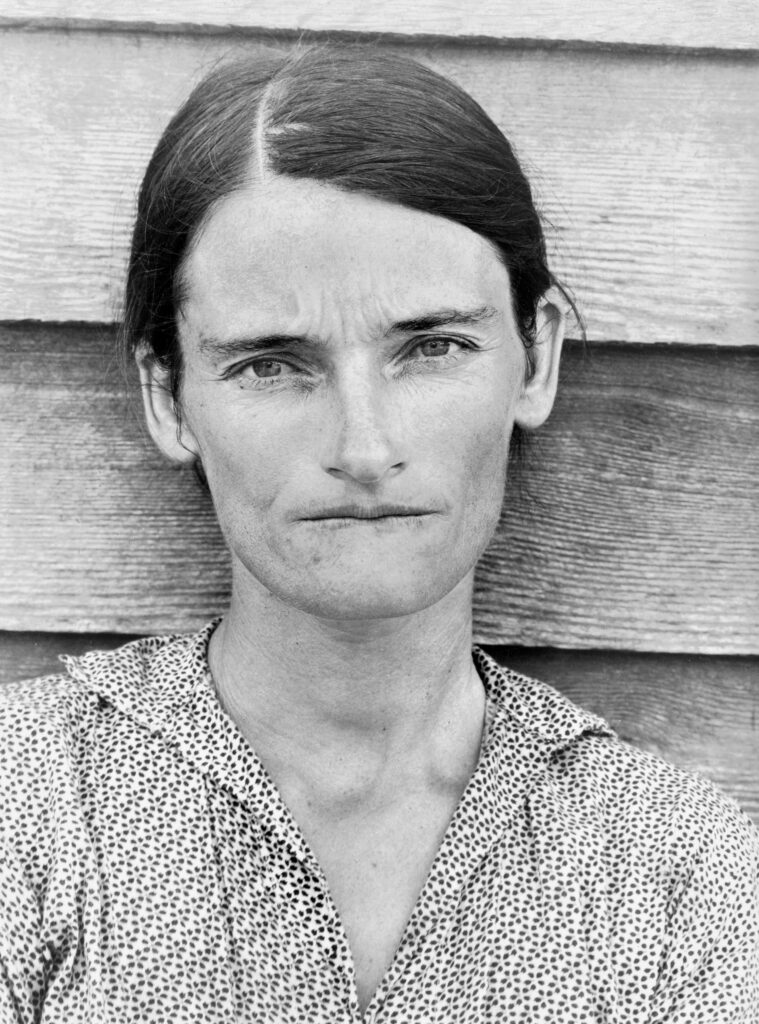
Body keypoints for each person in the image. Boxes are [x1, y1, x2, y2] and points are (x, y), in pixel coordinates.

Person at [1, 44, 757, 1024]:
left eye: (431, 347)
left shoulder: (677, 870)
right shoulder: (27, 805)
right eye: (273, 364)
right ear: (167, 394)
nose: (364, 446)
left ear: (536, 360)